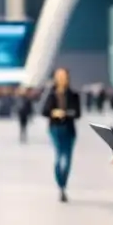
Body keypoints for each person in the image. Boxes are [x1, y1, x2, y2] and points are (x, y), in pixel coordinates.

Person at [42, 67, 81, 202]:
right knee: (59, 156)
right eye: (59, 76)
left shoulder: (74, 95)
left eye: (64, 76)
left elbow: (78, 113)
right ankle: (61, 185)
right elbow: (44, 111)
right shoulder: (51, 95)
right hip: (55, 128)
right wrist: (54, 112)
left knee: (68, 157)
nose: (61, 78)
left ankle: (64, 183)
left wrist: (66, 113)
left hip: (69, 129)